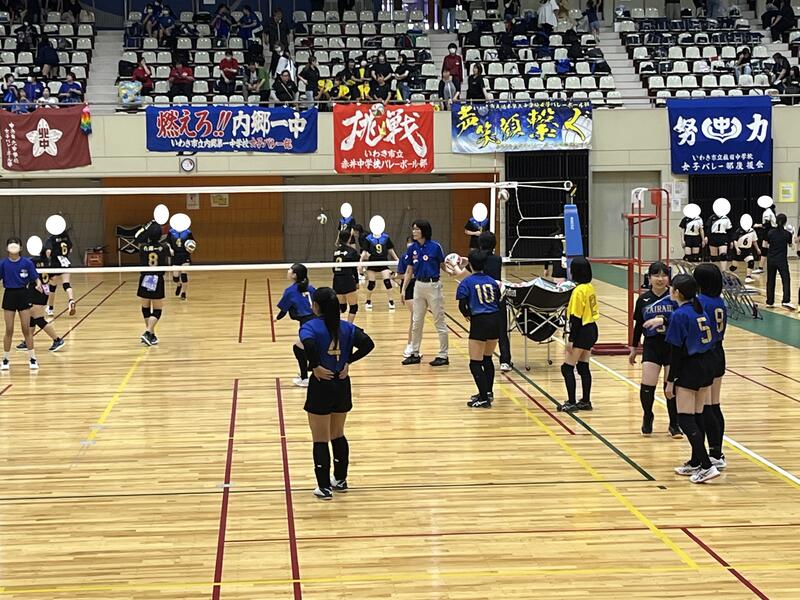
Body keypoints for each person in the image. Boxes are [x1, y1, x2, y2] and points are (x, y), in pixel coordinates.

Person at [300, 287, 375, 500]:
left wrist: (315, 365)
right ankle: (340, 480)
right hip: (341, 383)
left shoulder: (310, 326)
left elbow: (308, 345)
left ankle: (324, 487)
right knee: (338, 434)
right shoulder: (347, 327)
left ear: (316, 306)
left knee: (320, 438)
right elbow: (368, 344)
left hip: (321, 384)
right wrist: (348, 361)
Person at [664, 274, 719, 484]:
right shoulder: (699, 310)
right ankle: (696, 461)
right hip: (707, 364)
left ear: (677, 292)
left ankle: (706, 465)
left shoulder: (679, 315)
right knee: (698, 415)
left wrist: (670, 381)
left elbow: (675, 352)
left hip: (691, 367)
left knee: (685, 418)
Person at [629, 261, 680, 437]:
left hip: (672, 346)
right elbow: (638, 325)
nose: (660, 279)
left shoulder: (675, 297)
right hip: (651, 345)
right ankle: (647, 416)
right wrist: (634, 347)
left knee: (670, 386)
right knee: (647, 384)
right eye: (656, 275)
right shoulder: (643, 299)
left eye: (664, 275)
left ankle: (674, 423)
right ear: (649, 278)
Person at [456, 250, 501, 408]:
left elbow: (462, 305)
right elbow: (498, 300)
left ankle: (483, 398)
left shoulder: (466, 282)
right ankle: (488, 392)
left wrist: (468, 315)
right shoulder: (492, 281)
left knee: (475, 362)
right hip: (495, 320)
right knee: (487, 358)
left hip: (480, 321)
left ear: (470, 264)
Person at [401, 219, 449, 367]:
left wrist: (455, 270)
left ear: (424, 231)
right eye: (413, 229)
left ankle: (443, 355)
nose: (414, 232)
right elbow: (409, 270)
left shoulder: (435, 247)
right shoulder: (412, 249)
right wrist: (403, 289)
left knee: (439, 321)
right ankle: (415, 353)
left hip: (433, 285)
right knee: (417, 321)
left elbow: (443, 266)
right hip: (418, 286)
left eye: (417, 229)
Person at [694, 263, 728, 471]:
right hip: (719, 352)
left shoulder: (700, 302)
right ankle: (717, 452)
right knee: (714, 404)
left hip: (706, 354)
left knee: (705, 405)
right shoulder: (719, 302)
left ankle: (711, 455)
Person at [558, 257, 598, 412]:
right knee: (583, 366)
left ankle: (571, 402)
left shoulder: (578, 291)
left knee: (567, 368)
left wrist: (571, 339)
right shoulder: (589, 287)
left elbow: (576, 318)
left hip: (581, 331)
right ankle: (586, 401)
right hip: (592, 329)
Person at [0, 237, 41, 371]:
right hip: (9, 295)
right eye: (11, 244)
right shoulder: (3, 264)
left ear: (21, 248)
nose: (13, 246)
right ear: (7, 248)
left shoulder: (27, 263)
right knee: (9, 329)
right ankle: (5, 359)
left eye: (16, 244)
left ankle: (32, 358)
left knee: (26, 329)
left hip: (23, 295)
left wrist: (39, 284)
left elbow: (36, 278)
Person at [16, 251, 65, 353]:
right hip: (43, 290)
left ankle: (57, 339)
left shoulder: (30, 261)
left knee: (38, 318)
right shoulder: (48, 261)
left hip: (36, 290)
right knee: (31, 316)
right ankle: (28, 341)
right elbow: (54, 277)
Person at [276, 263, 316, 387]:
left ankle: (305, 378)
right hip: (317, 320)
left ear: (295, 275)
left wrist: (276, 318)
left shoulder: (290, 291)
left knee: (299, 348)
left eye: (290, 270)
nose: (288, 271)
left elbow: (284, 310)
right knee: (308, 348)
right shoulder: (311, 288)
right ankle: (310, 370)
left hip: (308, 324)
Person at [135, 221, 171, 346]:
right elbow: (171, 253)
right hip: (157, 279)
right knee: (157, 309)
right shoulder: (164, 247)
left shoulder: (142, 247)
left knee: (145, 307)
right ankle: (148, 332)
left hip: (145, 278)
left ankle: (151, 335)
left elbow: (137, 236)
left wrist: (146, 227)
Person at [361, 225, 398, 311]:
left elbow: (390, 250)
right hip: (372, 263)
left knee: (387, 282)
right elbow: (364, 252)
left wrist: (397, 259)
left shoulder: (386, 237)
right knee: (371, 284)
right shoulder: (368, 238)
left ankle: (391, 301)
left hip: (383, 263)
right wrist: (360, 262)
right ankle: (368, 300)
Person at [44, 226, 76, 317]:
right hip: (65, 262)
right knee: (66, 284)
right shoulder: (66, 237)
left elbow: (48, 252)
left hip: (55, 264)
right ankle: (71, 300)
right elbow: (70, 249)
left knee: (52, 287)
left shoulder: (51, 239)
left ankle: (50, 309)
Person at [765, 213, 794, 309]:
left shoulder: (770, 232)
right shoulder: (787, 234)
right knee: (786, 279)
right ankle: (786, 300)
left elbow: (766, 245)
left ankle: (770, 302)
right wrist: (792, 234)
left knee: (770, 280)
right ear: (785, 222)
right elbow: (791, 246)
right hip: (781, 260)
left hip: (771, 259)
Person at [332, 230, 360, 324]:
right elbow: (354, 268)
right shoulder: (352, 251)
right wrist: (357, 281)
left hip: (336, 280)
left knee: (342, 307)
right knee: (353, 307)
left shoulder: (336, 251)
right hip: (347, 279)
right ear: (349, 238)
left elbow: (333, 268)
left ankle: (333, 324)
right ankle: (349, 326)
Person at [396, 236, 417, 359]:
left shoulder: (420, 256)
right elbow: (399, 275)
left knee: (417, 318)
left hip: (421, 286)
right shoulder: (404, 257)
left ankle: (414, 346)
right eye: (408, 243)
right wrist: (409, 276)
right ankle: (410, 345)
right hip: (408, 288)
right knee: (415, 316)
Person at [167, 225, 194, 301]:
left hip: (185, 255)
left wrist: (191, 248)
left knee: (183, 275)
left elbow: (192, 243)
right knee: (175, 277)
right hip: (175, 256)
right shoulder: (171, 232)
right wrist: (170, 249)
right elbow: (168, 243)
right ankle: (179, 285)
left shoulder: (188, 232)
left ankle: (183, 293)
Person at [732, 218, 760, 283]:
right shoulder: (739, 230)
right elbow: (735, 240)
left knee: (751, 261)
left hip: (747, 250)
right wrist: (737, 248)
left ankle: (748, 277)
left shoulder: (752, 231)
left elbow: (754, 241)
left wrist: (757, 249)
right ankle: (730, 277)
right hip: (739, 250)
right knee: (734, 267)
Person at [706, 205, 732, 271]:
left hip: (722, 236)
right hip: (713, 236)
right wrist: (706, 237)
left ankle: (723, 272)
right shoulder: (712, 217)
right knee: (713, 257)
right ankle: (713, 272)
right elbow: (708, 228)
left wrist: (731, 241)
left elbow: (729, 231)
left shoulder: (726, 218)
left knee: (723, 255)